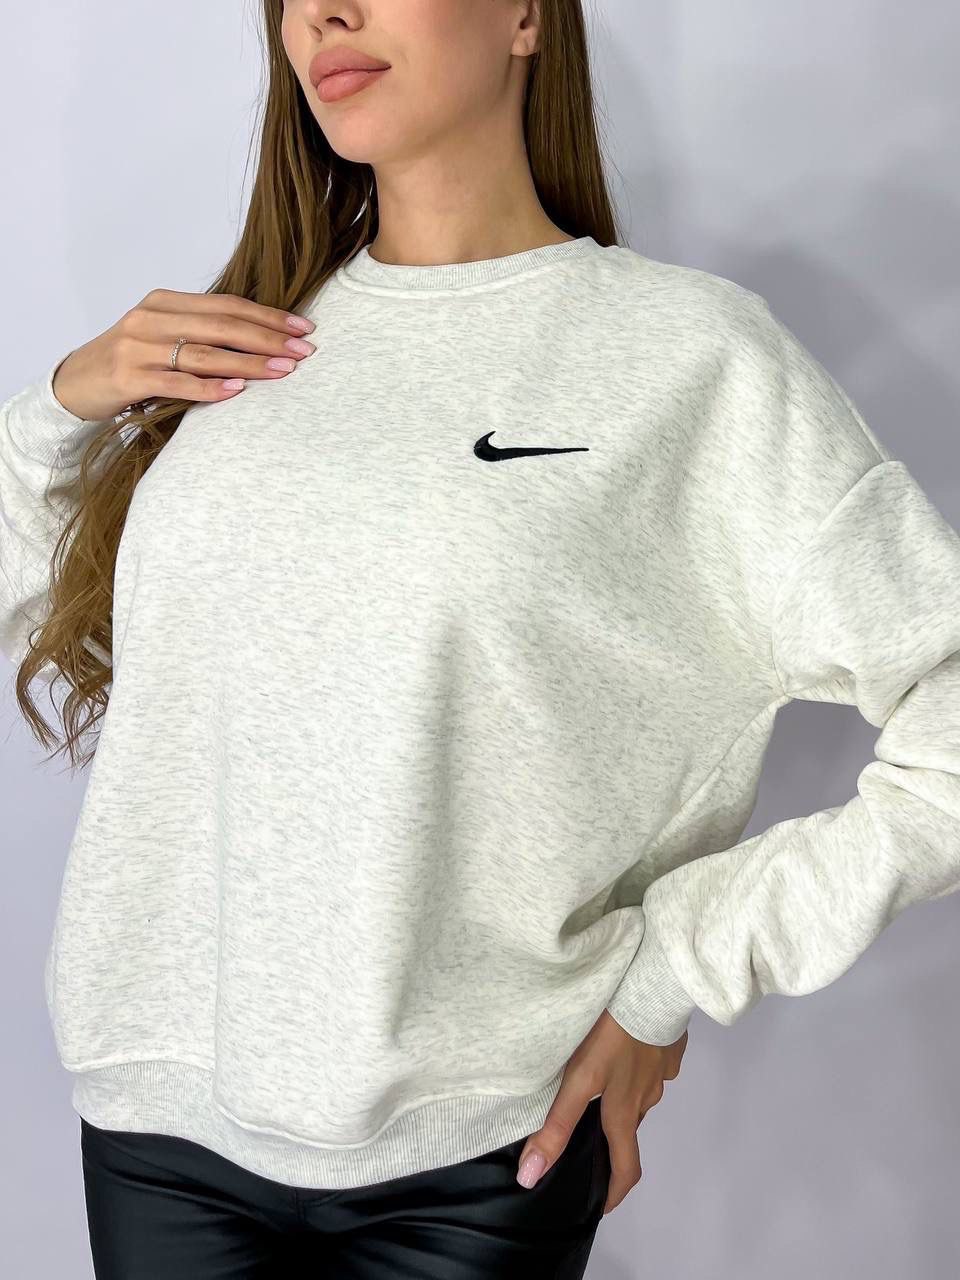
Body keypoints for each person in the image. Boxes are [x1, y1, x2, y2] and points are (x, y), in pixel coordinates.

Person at [2, 1, 959, 1276]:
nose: (325, 14)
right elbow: (74, 624)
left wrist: (675, 966)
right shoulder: (235, 346)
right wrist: (60, 408)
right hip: (156, 1126)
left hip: (475, 1158)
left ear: (522, 15)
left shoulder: (692, 357)